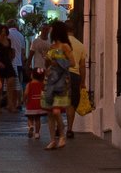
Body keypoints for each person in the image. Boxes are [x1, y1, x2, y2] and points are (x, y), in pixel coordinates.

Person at [43, 20, 74, 151]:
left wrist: (57, 63)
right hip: (50, 80)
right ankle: (52, 140)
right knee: (50, 112)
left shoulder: (65, 47)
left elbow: (72, 62)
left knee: (56, 110)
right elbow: (47, 64)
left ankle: (61, 134)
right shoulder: (51, 47)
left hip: (61, 81)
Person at [66, 21, 88, 139]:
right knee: (71, 104)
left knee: (58, 101)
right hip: (75, 76)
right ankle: (69, 129)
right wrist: (83, 82)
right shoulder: (81, 45)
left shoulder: (61, 44)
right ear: (74, 30)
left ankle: (58, 127)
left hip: (62, 74)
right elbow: (83, 66)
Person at [5, 20, 27, 113]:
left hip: (10, 62)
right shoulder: (21, 36)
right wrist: (23, 64)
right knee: (18, 85)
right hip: (19, 62)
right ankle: (18, 103)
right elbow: (22, 52)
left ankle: (10, 104)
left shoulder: (8, 34)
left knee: (9, 86)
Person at [23, 67, 45, 139]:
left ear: (32, 75)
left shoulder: (29, 84)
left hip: (30, 104)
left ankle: (31, 127)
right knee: (38, 119)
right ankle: (37, 133)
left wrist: (24, 100)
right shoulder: (42, 84)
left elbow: (26, 93)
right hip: (39, 105)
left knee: (30, 118)